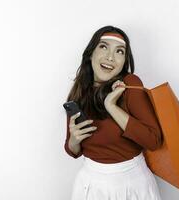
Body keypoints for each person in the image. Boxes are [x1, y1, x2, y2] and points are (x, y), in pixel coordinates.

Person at [64, 25, 163, 200]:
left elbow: (153, 140)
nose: (110, 57)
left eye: (119, 51)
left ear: (125, 60)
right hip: (90, 185)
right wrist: (74, 139)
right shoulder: (79, 91)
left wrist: (111, 106)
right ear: (91, 53)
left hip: (131, 185)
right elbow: (72, 150)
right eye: (103, 47)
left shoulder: (130, 84)